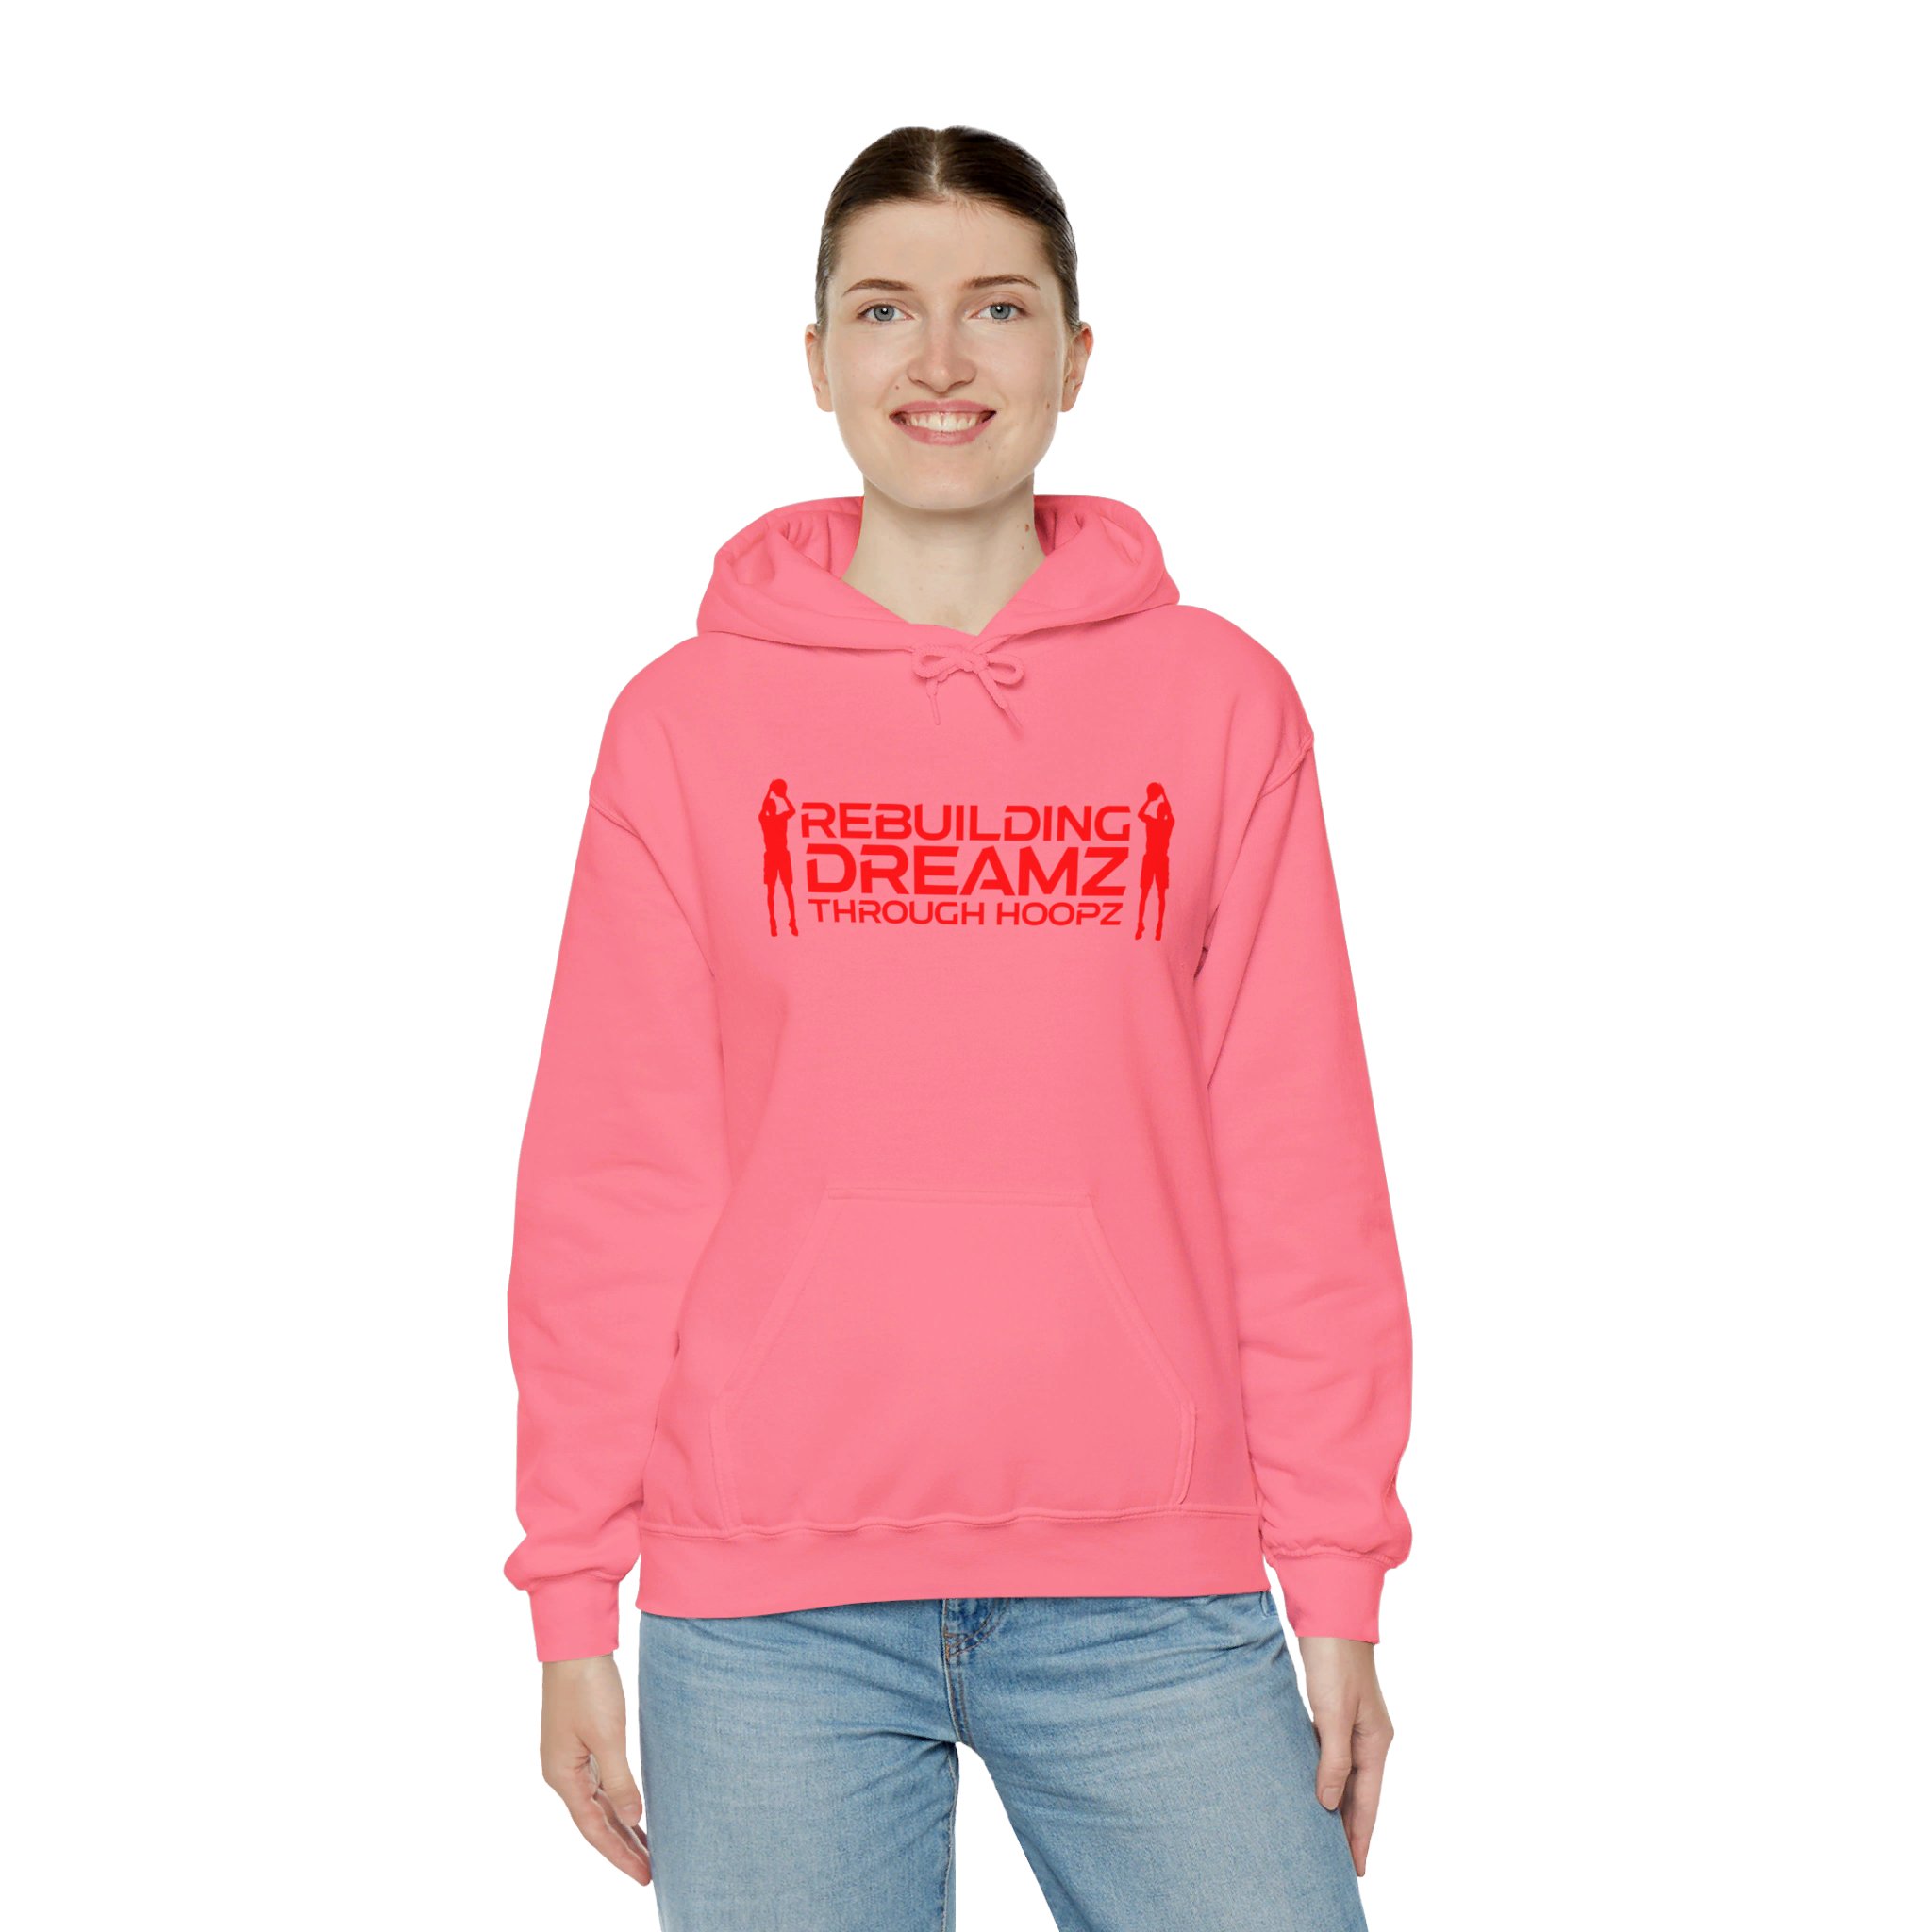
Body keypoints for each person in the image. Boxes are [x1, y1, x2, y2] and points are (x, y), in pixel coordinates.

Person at [504, 124, 1413, 1931]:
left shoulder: (1219, 703)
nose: (939, 358)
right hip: (769, 1605)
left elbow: (1295, 1159)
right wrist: (570, 1597)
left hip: (1148, 1586)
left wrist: (1336, 1580)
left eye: (997, 307)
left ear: (1075, 356)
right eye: (883, 309)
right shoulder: (683, 727)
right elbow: (616, 1177)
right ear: (816, 358)